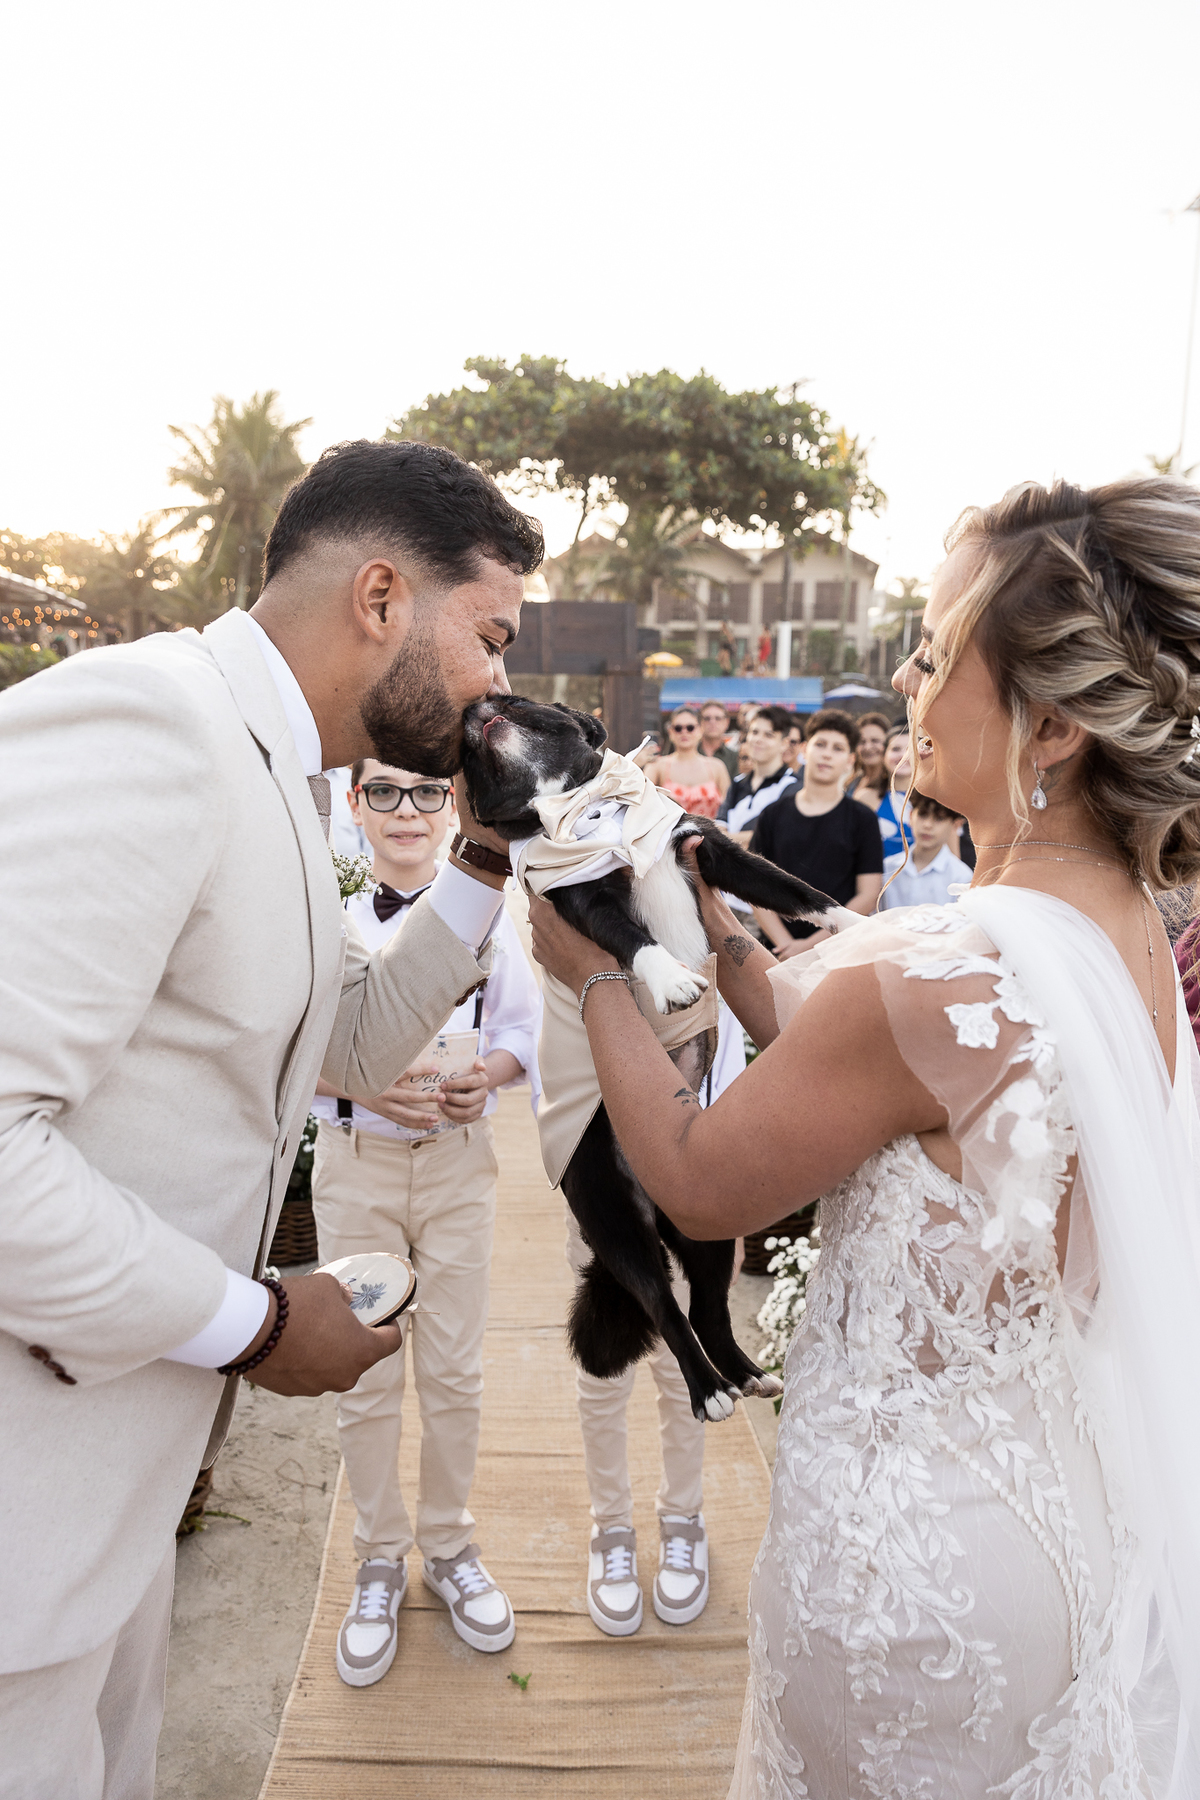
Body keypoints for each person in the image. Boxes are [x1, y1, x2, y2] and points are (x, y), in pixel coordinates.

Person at [528, 474, 1200, 1797]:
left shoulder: (932, 980)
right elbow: (928, 1111)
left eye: (939, 649)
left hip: (912, 1577)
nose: (903, 674)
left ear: (1051, 724)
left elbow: (701, 1185)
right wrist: (736, 961)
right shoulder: (1122, 939)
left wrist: (591, 966)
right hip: (1062, 1521)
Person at [0, 438, 542, 1799]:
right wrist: (253, 1326)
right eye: (487, 636)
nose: (497, 684)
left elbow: (346, 1039)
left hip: (110, 1494)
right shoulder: (154, 722)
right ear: (378, 597)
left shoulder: (287, 774)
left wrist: (484, 855)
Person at [312, 760, 540, 1686]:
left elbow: (521, 1032)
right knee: (362, 1370)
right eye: (384, 794)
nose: (405, 813)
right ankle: (377, 1556)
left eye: (425, 794)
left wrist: (492, 1074)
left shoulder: (488, 920)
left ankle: (448, 1547)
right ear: (356, 807)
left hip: (455, 1170)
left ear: (454, 807)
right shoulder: (324, 928)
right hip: (354, 1169)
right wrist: (355, 1078)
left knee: (453, 1369)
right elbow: (284, 1056)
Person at [575, 1005, 746, 1639]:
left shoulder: (696, 935)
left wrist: (736, 1202)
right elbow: (559, 1063)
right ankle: (611, 1526)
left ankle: (683, 1517)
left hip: (698, 1169)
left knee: (688, 1362)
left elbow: (724, 1059)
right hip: (602, 1174)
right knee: (605, 1368)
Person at [751, 708, 884, 957]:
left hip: (839, 950)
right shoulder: (772, 815)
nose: (827, 754)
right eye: (820, 744)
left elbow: (867, 894)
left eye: (838, 748)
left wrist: (811, 946)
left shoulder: (863, 819)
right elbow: (754, 886)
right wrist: (786, 945)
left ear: (850, 760)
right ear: (804, 749)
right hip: (777, 950)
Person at [718, 705, 799, 847]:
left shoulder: (793, 786)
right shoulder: (737, 783)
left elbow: (774, 835)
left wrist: (728, 838)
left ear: (784, 743)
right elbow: (718, 830)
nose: (758, 739)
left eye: (769, 735)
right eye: (754, 732)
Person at [879, 792, 972, 908]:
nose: (928, 825)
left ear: (956, 825)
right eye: (922, 815)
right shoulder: (887, 867)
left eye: (939, 819)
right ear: (910, 816)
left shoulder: (961, 877)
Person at [643, 705, 730, 818]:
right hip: (671, 834)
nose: (684, 732)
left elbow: (730, 808)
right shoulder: (657, 766)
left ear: (700, 730)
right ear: (671, 732)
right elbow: (641, 800)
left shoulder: (717, 766)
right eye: (678, 728)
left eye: (690, 728)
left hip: (712, 834)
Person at [874, 720, 916, 855]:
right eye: (895, 749)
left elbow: (952, 857)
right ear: (883, 755)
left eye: (910, 750)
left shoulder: (935, 799)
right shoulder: (866, 797)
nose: (903, 756)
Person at [845, 709, 891, 809]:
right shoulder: (851, 781)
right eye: (862, 742)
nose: (868, 747)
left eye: (875, 741)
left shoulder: (894, 784)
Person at [699, 699, 739, 779]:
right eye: (707, 718)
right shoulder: (688, 753)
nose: (712, 722)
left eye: (718, 718)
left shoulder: (735, 758)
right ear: (700, 722)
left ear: (726, 722)